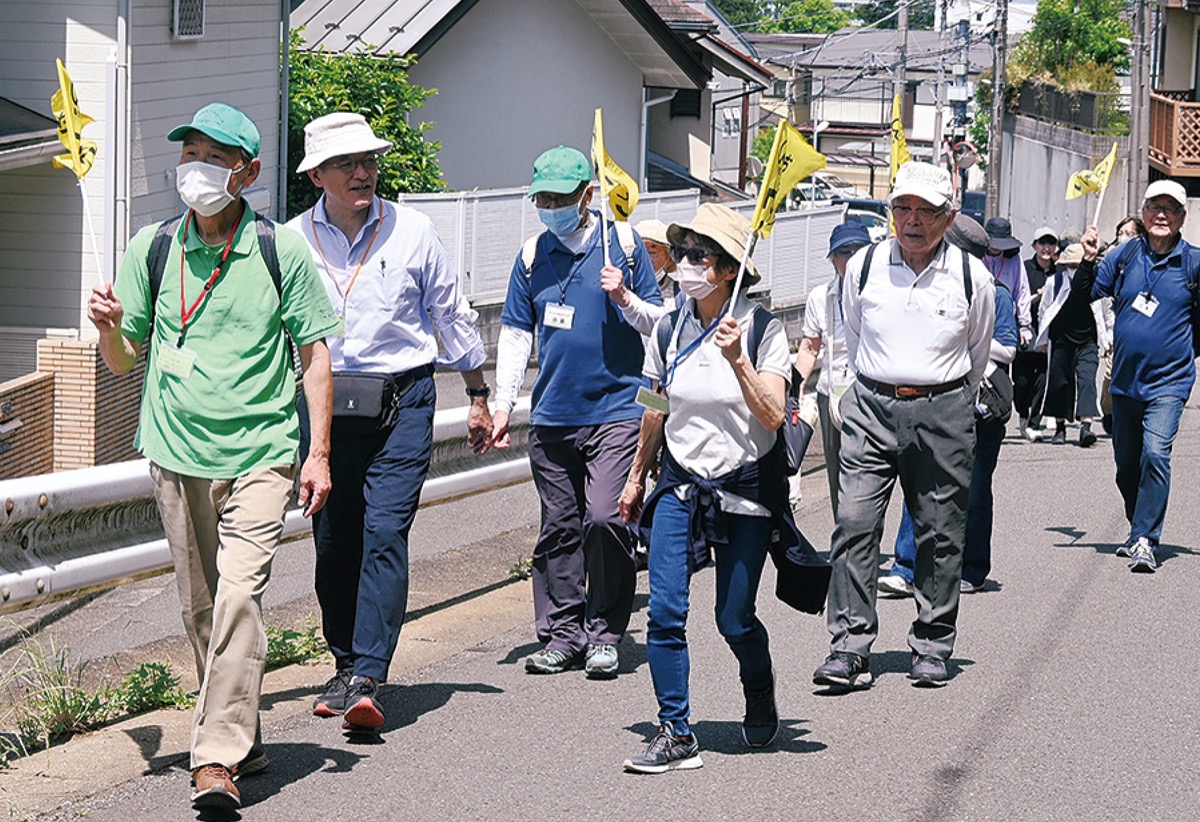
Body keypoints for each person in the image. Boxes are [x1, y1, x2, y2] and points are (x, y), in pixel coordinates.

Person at [86, 103, 340, 810]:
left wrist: (317, 454)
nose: (195, 167)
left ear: (248, 172)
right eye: (189, 152)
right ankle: (245, 737)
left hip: (260, 451)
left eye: (214, 155)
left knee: (237, 597)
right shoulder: (154, 246)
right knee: (201, 609)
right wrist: (108, 328)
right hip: (174, 451)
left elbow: (316, 356)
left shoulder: (276, 248)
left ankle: (215, 758)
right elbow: (121, 359)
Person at [289, 113, 493, 731]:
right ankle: (344, 662)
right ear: (319, 174)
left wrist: (477, 393)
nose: (362, 173)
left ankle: (369, 671)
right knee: (333, 541)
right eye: (347, 163)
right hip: (324, 405)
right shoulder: (292, 240)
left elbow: (449, 313)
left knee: (384, 532)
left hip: (403, 401)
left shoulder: (413, 230)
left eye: (369, 161)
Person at [617, 204, 793, 773]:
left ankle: (759, 687)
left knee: (733, 618)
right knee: (664, 612)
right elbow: (655, 403)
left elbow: (772, 416)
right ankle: (675, 730)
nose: (685, 264)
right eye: (683, 252)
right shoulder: (667, 328)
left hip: (744, 490)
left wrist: (738, 360)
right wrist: (636, 474)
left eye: (700, 255)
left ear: (727, 268)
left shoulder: (763, 330)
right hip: (680, 485)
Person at [812, 162, 994, 690]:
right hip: (871, 406)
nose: (912, 220)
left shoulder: (970, 275)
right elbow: (852, 332)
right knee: (853, 522)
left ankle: (933, 642)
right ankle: (848, 647)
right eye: (902, 208)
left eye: (926, 211)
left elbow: (976, 352)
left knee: (940, 531)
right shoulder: (865, 266)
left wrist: (944, 395)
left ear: (949, 217)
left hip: (943, 410)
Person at [491, 146, 662, 677]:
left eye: (560, 197)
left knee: (606, 518)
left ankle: (606, 632)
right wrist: (503, 403)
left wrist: (626, 297)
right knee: (559, 528)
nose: (549, 206)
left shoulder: (626, 247)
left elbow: (663, 324)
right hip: (552, 416)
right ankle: (563, 633)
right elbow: (517, 334)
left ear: (587, 196)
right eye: (541, 197)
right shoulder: (530, 256)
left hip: (617, 409)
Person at [878, 214, 1017, 596]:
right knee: (916, 482)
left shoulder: (993, 289)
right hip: (926, 402)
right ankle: (906, 567)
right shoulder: (921, 285)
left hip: (979, 407)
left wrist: (971, 345)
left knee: (973, 491)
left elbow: (1009, 345)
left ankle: (972, 567)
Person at [1078, 180, 1198, 573]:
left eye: (1171, 208)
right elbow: (1089, 295)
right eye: (1154, 207)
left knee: (1155, 454)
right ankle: (1138, 527)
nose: (1161, 214)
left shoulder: (1194, 263)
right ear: (1144, 214)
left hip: (1170, 382)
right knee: (1127, 465)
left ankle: (1146, 537)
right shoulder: (1125, 255)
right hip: (1126, 381)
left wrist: (1183, 354)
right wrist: (1088, 260)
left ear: (1182, 217)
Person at [793, 221, 872, 517]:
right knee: (837, 471)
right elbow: (810, 347)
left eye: (858, 250)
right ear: (832, 259)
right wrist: (795, 390)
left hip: (869, 391)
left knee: (867, 472)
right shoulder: (820, 297)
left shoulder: (881, 294)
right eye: (843, 252)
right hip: (832, 394)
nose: (850, 258)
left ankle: (864, 538)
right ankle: (845, 541)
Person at [1034, 243, 1106, 447]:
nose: (1075, 270)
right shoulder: (1054, 282)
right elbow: (1044, 310)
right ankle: (1059, 427)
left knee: (1087, 379)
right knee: (1060, 382)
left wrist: (1108, 338)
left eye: (1079, 265)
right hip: (1061, 339)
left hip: (1087, 340)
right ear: (1065, 266)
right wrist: (1044, 340)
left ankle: (1086, 427)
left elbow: (1104, 311)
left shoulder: (1095, 283)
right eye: (1071, 266)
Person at [1097, 218, 1147, 434]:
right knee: (1110, 375)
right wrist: (1107, 332)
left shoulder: (1147, 261)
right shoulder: (1112, 261)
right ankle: (1108, 411)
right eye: (1121, 232)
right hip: (1115, 330)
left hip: (1139, 330)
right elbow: (1103, 301)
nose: (1123, 236)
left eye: (1129, 232)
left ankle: (1130, 416)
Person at [1016, 226, 1058, 439]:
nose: (1046, 248)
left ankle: (1034, 423)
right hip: (1025, 329)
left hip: (1049, 333)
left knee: (1043, 378)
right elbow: (1018, 301)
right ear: (1034, 246)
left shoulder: (1058, 271)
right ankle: (1023, 415)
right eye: (1042, 243)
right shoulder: (1024, 269)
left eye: (1050, 243)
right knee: (1022, 381)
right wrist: (1037, 296)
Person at [983, 217, 1033, 346]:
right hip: (979, 317)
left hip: (1004, 320)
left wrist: (1024, 325)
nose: (996, 248)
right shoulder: (976, 257)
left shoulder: (1015, 260)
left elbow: (1022, 291)